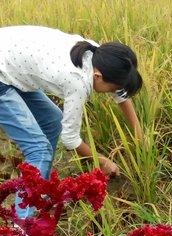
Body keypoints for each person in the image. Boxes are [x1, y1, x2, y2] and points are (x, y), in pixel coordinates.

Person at [0, 25, 143, 218]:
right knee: (39, 150)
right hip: (3, 71)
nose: (111, 93)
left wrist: (139, 135)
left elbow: (121, 91)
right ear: (98, 77)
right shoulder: (77, 82)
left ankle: (39, 193)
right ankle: (22, 229)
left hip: (11, 63)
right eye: (111, 89)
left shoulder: (99, 55)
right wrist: (101, 160)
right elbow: (70, 139)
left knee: (53, 120)